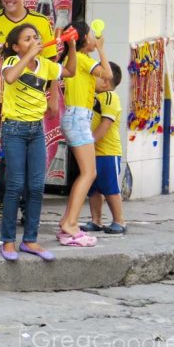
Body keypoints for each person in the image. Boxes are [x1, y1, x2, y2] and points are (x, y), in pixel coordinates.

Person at [0, 23, 76, 262]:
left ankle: (30, 239)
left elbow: (70, 72)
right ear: (15, 47)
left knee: (36, 187)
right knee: (15, 185)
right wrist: (29, 55)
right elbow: (10, 78)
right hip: (14, 130)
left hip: (36, 131)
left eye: (36, 38)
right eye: (26, 39)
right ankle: (8, 241)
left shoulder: (46, 66)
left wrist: (71, 46)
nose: (33, 41)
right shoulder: (11, 63)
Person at [0, 0, 59, 218]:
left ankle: (26, 211)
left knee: (33, 162)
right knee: (3, 155)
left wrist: (53, 97)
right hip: (0, 98)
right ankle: (3, 200)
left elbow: (51, 62)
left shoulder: (40, 22)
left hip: (33, 102)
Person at [57, 21, 113, 247]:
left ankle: (67, 222)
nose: (94, 37)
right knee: (89, 173)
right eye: (91, 35)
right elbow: (107, 73)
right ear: (83, 39)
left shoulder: (78, 61)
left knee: (86, 173)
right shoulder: (82, 59)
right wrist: (100, 48)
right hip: (78, 119)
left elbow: (102, 85)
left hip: (77, 117)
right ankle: (71, 223)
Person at [81, 62, 126, 234]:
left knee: (110, 187)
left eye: (96, 74)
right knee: (94, 188)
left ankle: (119, 221)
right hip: (94, 152)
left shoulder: (109, 97)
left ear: (105, 81)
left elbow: (106, 124)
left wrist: (89, 143)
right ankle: (96, 220)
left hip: (108, 152)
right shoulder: (95, 97)